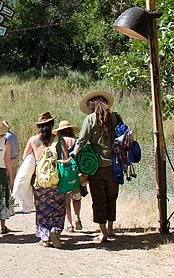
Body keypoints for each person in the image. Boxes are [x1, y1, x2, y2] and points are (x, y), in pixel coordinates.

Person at [73, 90, 120, 243]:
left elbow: (81, 141)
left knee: (99, 199)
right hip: (114, 166)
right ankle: (111, 228)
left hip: (96, 167)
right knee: (111, 197)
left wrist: (73, 155)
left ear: (92, 105)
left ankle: (103, 232)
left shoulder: (90, 119)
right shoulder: (115, 117)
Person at [23, 112, 69, 248]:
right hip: (56, 180)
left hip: (39, 181)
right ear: (52, 124)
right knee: (58, 207)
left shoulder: (33, 140)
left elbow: (26, 158)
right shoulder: (59, 140)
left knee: (42, 209)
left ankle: (45, 237)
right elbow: (66, 159)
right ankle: (55, 230)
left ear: (39, 127)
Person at [52, 120, 84, 233]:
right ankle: (77, 217)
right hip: (76, 173)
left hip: (64, 174)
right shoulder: (76, 142)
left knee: (66, 201)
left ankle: (70, 225)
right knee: (77, 197)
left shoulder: (59, 142)